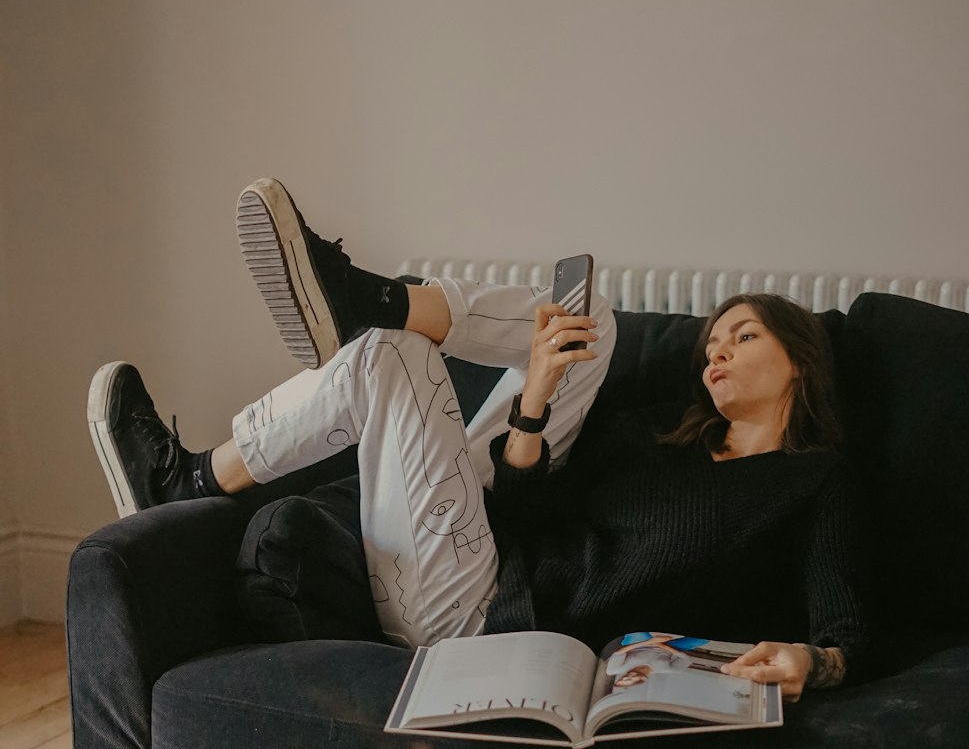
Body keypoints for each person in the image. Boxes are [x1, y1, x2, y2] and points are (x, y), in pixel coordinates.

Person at [87, 177, 869, 701]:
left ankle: (195, 477)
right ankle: (374, 298)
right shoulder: (658, 433)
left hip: (482, 613)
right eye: (711, 344)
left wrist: (814, 662)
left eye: (741, 337)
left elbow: (846, 624)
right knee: (589, 323)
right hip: (487, 541)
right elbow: (533, 514)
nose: (715, 353)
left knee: (388, 355)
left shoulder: (813, 481)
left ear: (800, 357)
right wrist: (532, 402)